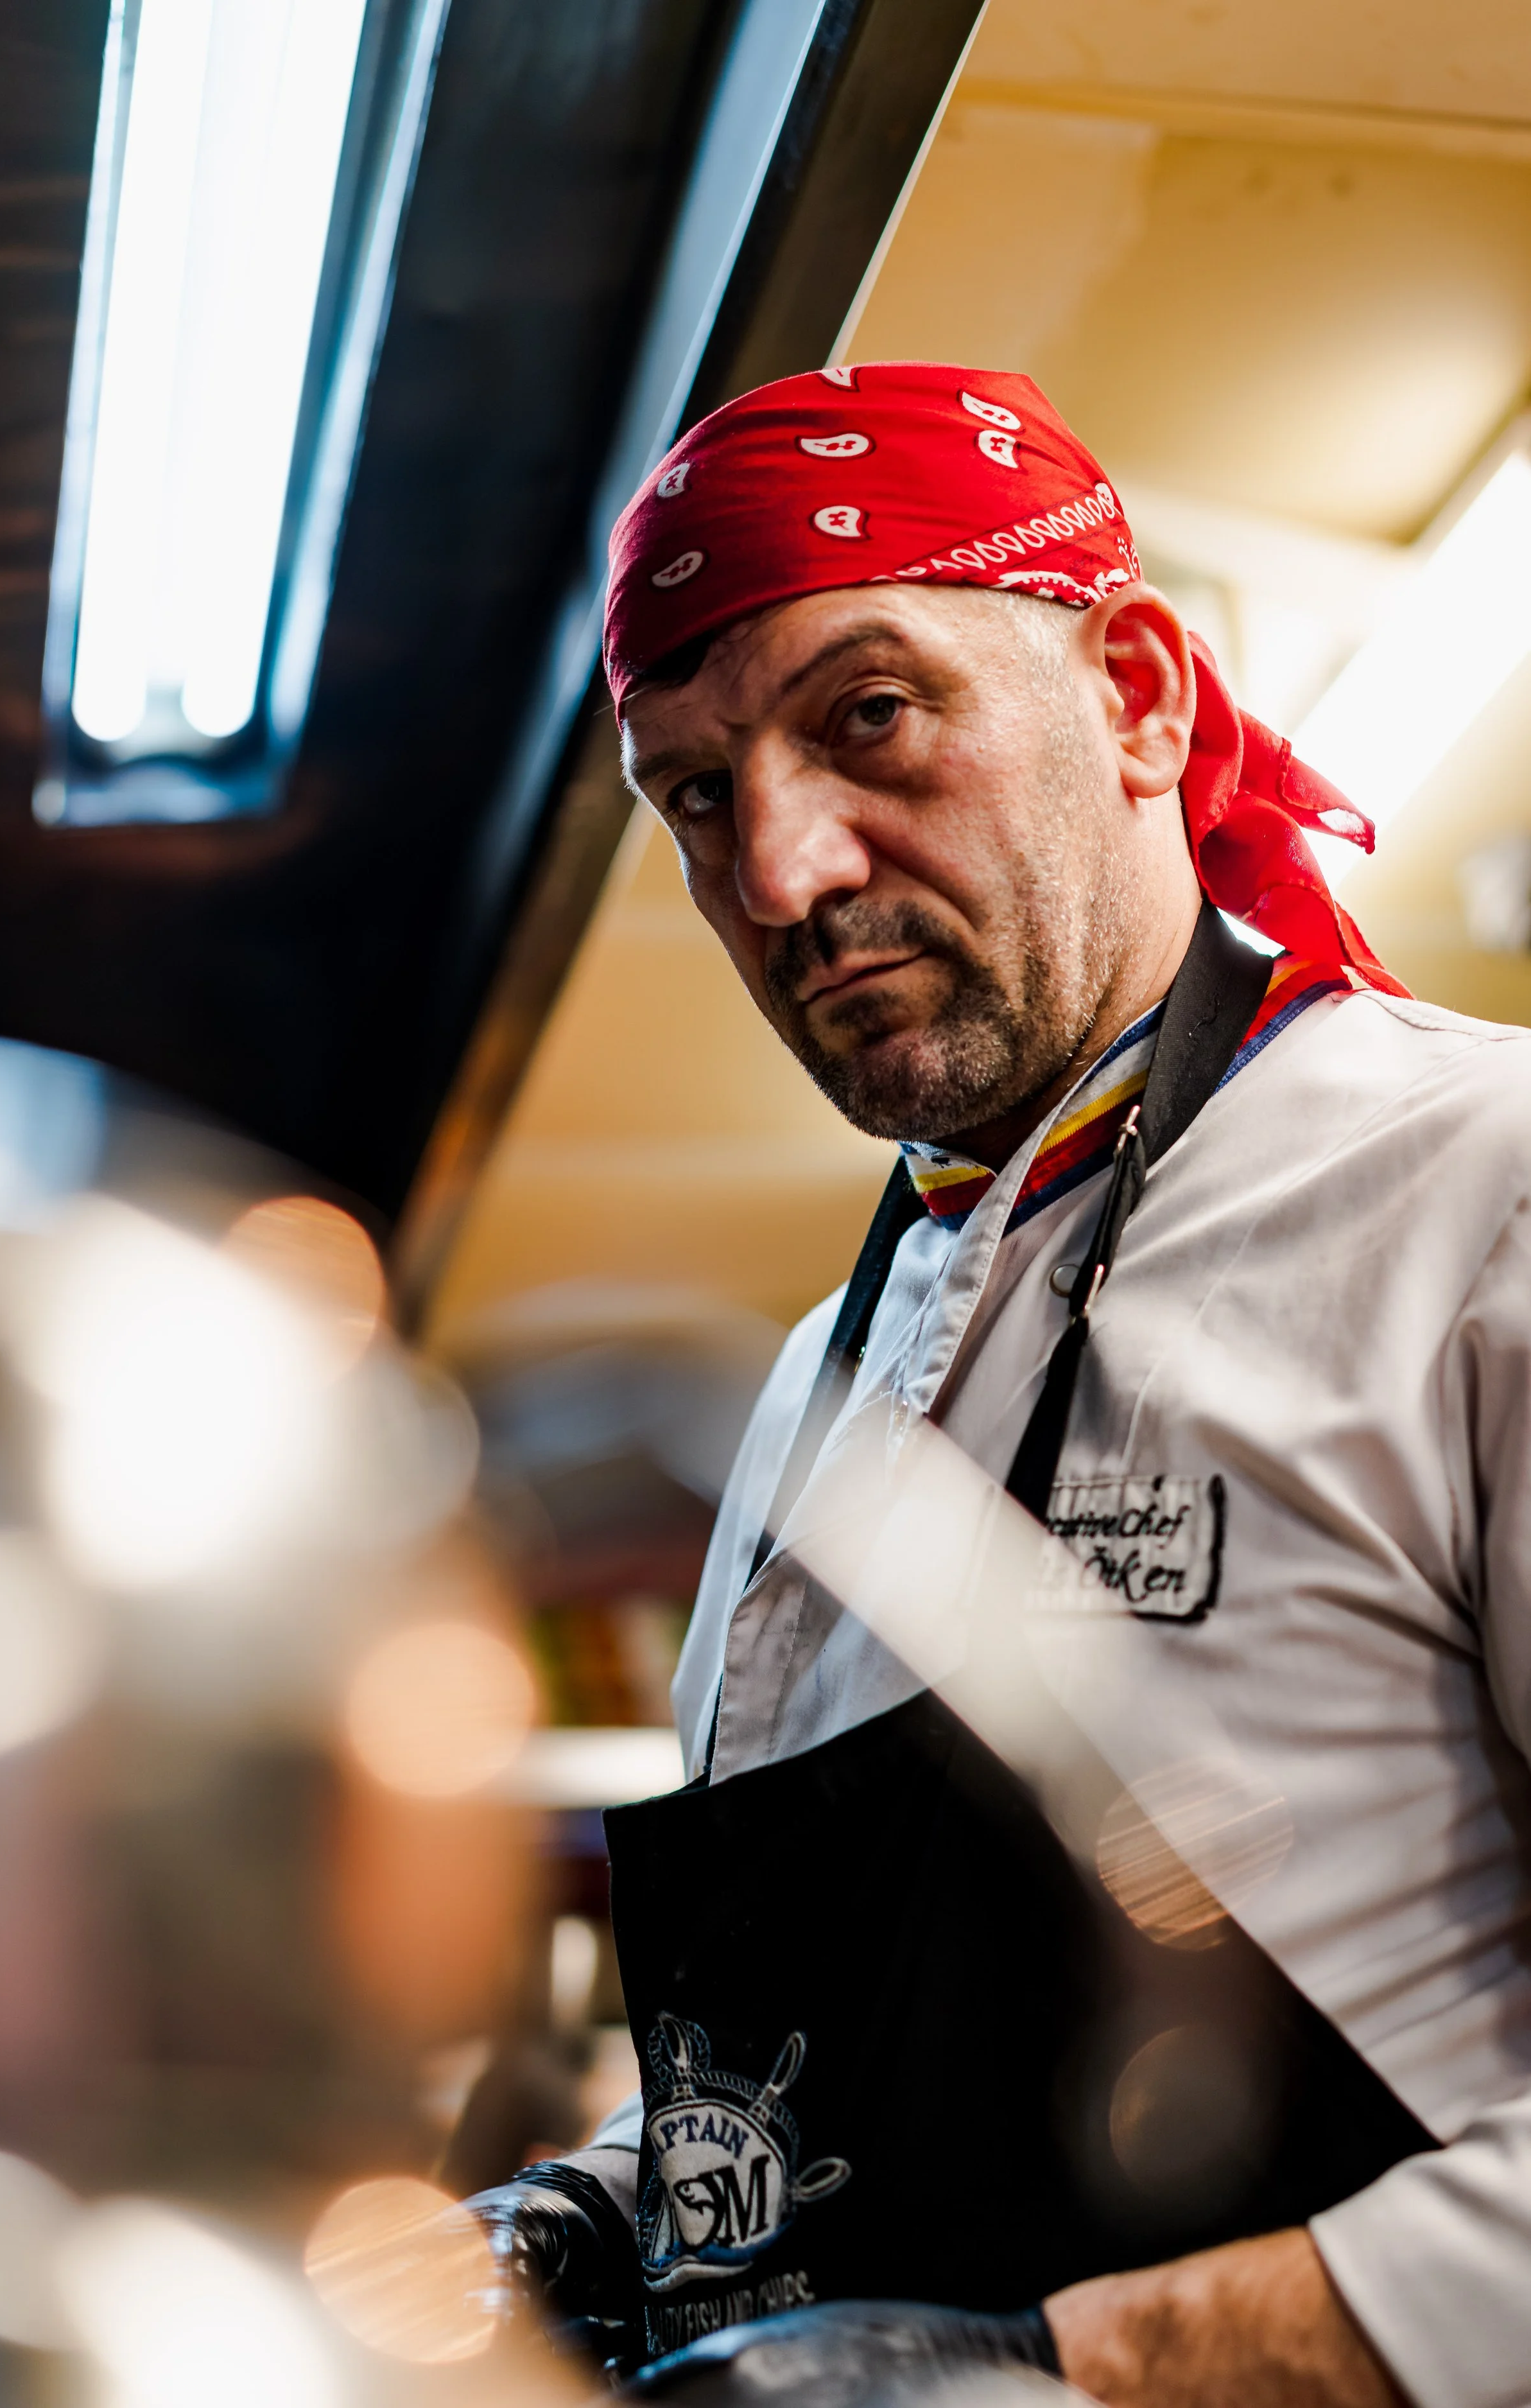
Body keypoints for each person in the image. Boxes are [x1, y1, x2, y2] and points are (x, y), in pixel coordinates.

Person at [455, 365, 1531, 2408]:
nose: (777, 873)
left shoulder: (1475, 1191)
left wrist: (1067, 2375)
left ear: (1136, 695)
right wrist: (591, 2218)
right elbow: (829, 2080)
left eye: (866, 713)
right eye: (691, 793)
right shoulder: (814, 1376)